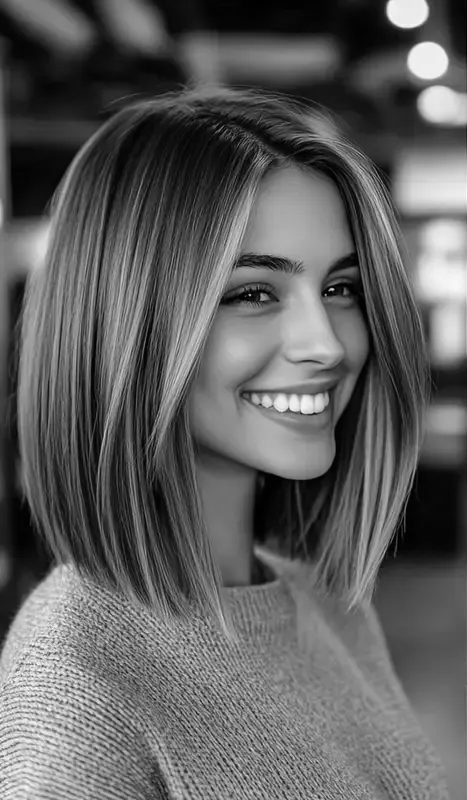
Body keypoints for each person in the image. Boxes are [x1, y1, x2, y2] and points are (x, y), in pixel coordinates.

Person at [0, 85, 450, 800]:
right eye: (252, 293)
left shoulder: (331, 608)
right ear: (130, 323)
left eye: (341, 289)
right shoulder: (76, 680)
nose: (325, 344)